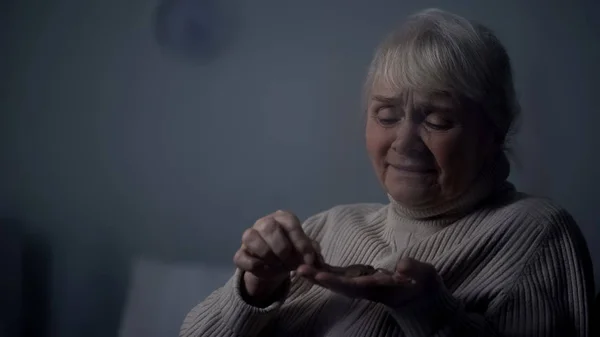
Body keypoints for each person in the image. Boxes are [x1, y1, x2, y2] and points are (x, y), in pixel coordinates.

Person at [180, 8, 595, 337]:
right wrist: (255, 290)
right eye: (386, 114)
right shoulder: (329, 227)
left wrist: (431, 314)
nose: (405, 141)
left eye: (438, 119)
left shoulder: (535, 233)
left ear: (494, 130)